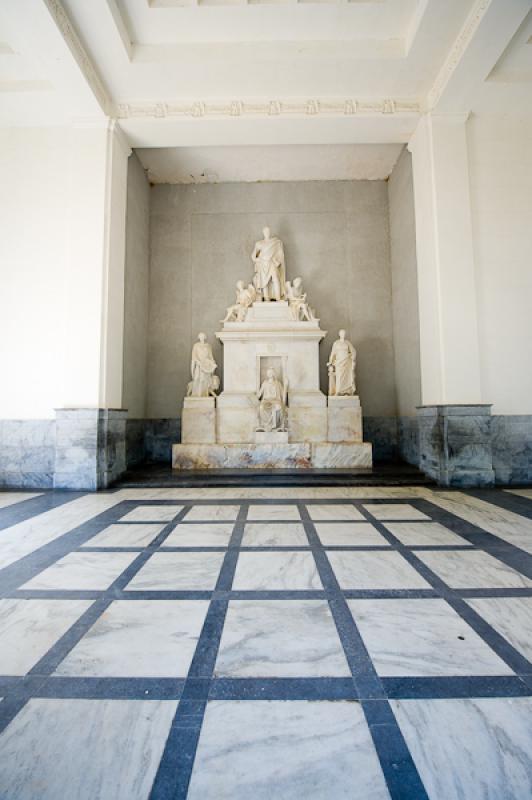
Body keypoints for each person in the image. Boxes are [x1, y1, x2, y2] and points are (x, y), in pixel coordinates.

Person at [251, 227, 286, 302]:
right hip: (263, 264)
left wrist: (278, 261)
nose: (267, 233)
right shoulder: (259, 243)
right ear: (263, 233)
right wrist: (259, 260)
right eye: (265, 231)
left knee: (276, 279)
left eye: (268, 231)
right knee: (264, 282)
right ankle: (267, 299)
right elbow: (253, 256)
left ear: (270, 232)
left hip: (272, 262)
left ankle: (278, 298)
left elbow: (280, 253)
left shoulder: (275, 242)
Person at [188, 333, 219, 397]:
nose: (201, 338)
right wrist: (196, 364)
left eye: (203, 336)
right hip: (199, 365)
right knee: (198, 379)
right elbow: (194, 357)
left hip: (207, 365)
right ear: (198, 337)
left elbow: (210, 356)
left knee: (206, 380)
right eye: (200, 336)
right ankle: (197, 394)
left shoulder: (208, 346)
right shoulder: (196, 345)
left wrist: (213, 363)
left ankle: (204, 394)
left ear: (205, 337)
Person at [327, 330, 356, 396]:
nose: (343, 335)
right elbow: (333, 353)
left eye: (344, 333)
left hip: (347, 362)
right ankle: (338, 391)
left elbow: (353, 351)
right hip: (339, 362)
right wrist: (330, 361)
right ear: (339, 334)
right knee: (339, 377)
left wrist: (352, 358)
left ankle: (346, 392)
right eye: (342, 333)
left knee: (347, 377)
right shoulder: (336, 343)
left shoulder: (347, 343)